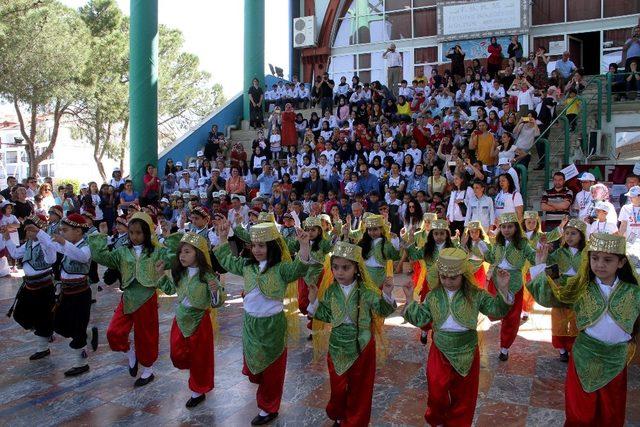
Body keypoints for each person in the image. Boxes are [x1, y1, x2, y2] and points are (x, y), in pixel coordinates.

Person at [528, 233, 640, 427]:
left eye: (607, 259)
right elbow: (552, 293)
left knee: (611, 414)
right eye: (594, 258)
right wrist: (540, 267)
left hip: (615, 360)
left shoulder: (634, 292)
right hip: (584, 357)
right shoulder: (581, 287)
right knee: (580, 413)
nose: (600, 264)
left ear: (621, 263)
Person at [213, 220, 311, 425]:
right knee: (254, 368)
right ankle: (265, 395)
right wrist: (222, 238)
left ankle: (269, 408)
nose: (257, 250)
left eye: (262, 245)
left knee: (273, 370)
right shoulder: (247, 266)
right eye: (254, 245)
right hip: (250, 325)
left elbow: (299, 269)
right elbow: (228, 262)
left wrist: (303, 246)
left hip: (273, 326)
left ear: (272, 246)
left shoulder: (281, 269)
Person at [404, 248, 512, 426]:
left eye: (453, 277)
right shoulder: (433, 296)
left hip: (467, 350)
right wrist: (409, 301)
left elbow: (496, 310)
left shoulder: (476, 295)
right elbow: (421, 318)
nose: (448, 281)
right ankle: (437, 420)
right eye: (444, 277)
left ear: (463, 274)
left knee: (464, 395)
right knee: (436, 390)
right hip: (439, 350)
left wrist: (503, 289)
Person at [306, 241, 396, 426]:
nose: (339, 272)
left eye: (345, 267)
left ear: (356, 268)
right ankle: (339, 415)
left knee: (360, 387)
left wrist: (387, 293)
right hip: (338, 344)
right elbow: (325, 314)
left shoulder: (367, 290)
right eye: (336, 267)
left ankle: (355, 421)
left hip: (362, 344)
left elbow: (383, 310)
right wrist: (314, 301)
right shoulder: (332, 290)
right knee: (338, 385)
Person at [88, 213, 180, 387]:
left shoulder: (156, 251)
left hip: (147, 297)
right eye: (131, 232)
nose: (134, 236)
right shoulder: (122, 251)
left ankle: (148, 369)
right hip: (128, 296)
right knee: (113, 332)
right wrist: (101, 236)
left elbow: (174, 258)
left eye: (139, 233)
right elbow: (102, 257)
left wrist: (170, 238)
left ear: (146, 233)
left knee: (146, 335)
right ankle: (130, 351)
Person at [155, 233, 225, 408]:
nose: (182, 256)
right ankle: (192, 372)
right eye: (180, 252)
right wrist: (161, 275)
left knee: (200, 359)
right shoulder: (180, 273)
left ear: (198, 254)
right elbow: (171, 289)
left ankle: (197, 391)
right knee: (176, 354)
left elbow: (217, 302)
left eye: (187, 252)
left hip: (200, 321)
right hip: (180, 319)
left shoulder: (207, 276)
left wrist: (216, 290)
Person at [471, 212, 536, 361]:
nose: (506, 230)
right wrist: (480, 243)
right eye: (504, 227)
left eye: (510, 226)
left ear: (516, 227)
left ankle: (504, 347)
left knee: (512, 317)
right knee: (495, 310)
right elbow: (491, 258)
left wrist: (542, 252)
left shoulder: (523, 244)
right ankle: (501, 323)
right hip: (497, 280)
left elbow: (533, 257)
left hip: (514, 283)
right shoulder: (498, 244)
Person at [2, 215, 57, 360]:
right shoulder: (27, 245)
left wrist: (40, 234)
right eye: (27, 230)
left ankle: (43, 347)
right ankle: (45, 333)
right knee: (20, 314)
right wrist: (7, 238)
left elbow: (51, 259)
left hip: (44, 287)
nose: (29, 233)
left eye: (32, 230)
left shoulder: (46, 243)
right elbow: (14, 253)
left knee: (43, 317)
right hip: (29, 286)